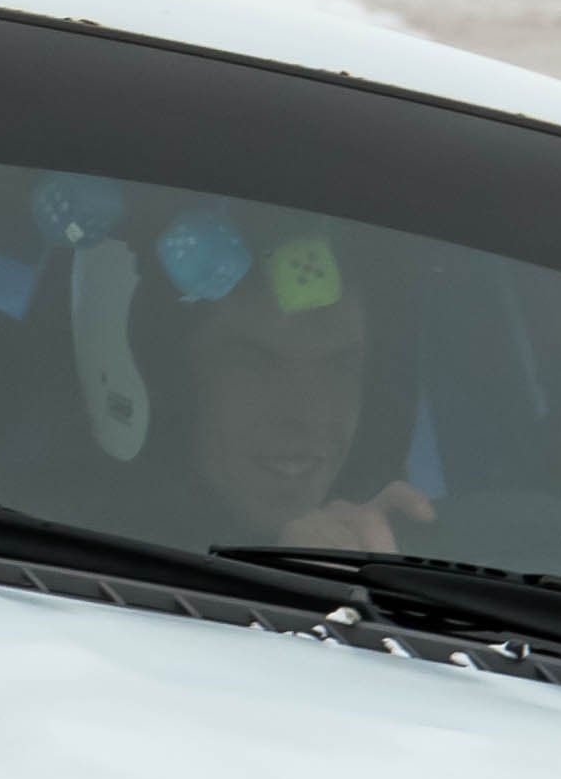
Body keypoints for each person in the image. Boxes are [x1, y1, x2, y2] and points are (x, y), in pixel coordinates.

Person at [178, 229, 433, 553]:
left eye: (340, 367)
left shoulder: (410, 555)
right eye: (254, 365)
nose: (307, 415)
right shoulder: (105, 570)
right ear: (182, 385)